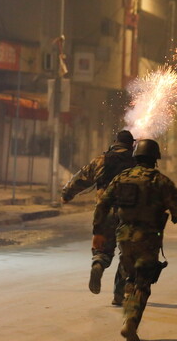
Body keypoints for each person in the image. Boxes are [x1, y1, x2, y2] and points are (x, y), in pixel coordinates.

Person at [93, 139, 177, 341]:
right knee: (142, 283)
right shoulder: (160, 180)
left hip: (124, 238)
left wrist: (98, 231)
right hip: (148, 240)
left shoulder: (122, 178)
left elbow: (102, 204)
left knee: (130, 278)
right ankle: (130, 322)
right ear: (155, 158)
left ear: (136, 156)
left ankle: (128, 316)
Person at [61, 129, 136, 305]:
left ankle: (99, 264)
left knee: (103, 249)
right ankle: (119, 294)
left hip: (104, 213)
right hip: (128, 214)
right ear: (131, 145)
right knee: (128, 254)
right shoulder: (137, 163)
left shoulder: (102, 160)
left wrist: (67, 194)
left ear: (115, 142)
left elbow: (81, 177)